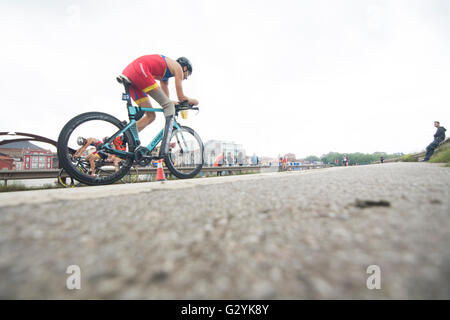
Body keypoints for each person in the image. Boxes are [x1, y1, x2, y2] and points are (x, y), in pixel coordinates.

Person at [121, 54, 199, 131]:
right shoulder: (178, 68)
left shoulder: (165, 77)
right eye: (188, 74)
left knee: (151, 116)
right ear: (185, 68)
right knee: (169, 106)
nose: (186, 78)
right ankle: (166, 141)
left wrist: (172, 103)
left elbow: (165, 99)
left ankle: (121, 139)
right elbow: (181, 98)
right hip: (140, 69)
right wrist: (195, 102)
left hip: (130, 72)